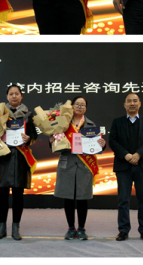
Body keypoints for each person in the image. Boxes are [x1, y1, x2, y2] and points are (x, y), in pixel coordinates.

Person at [51, 96, 105, 240]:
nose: (80, 107)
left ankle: (81, 228)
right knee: (68, 198)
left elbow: (95, 146)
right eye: (77, 104)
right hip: (67, 163)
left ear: (86, 108)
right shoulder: (63, 123)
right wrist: (52, 141)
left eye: (83, 105)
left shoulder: (91, 125)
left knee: (82, 198)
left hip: (84, 165)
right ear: (72, 106)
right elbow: (55, 144)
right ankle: (70, 228)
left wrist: (102, 144)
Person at [0, 84, 37, 241]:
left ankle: (16, 228)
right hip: (3, 158)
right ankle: (2, 228)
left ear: (21, 96)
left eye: (17, 93)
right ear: (7, 96)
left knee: (18, 195)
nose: (14, 96)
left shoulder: (28, 115)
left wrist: (29, 138)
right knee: (2, 195)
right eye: (11, 94)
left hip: (20, 159)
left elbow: (33, 134)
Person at [108, 93, 143, 242]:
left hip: (142, 165)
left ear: (139, 104)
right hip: (123, 166)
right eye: (129, 101)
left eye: (135, 101)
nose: (132, 103)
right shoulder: (117, 122)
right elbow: (113, 141)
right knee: (123, 200)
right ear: (125, 105)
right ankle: (123, 230)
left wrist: (138, 155)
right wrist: (126, 155)